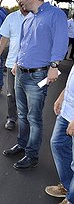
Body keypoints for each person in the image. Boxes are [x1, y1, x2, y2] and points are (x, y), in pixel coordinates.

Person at [2, 0, 68, 170]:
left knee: (34, 117)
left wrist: (54, 65)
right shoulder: (28, 18)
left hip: (38, 76)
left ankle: (32, 155)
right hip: (20, 73)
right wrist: (15, 62)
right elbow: (23, 44)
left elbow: (61, 41)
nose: (19, 0)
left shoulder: (55, 15)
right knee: (22, 114)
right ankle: (22, 144)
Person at [0, 0, 29, 130]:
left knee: (28, 95)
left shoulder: (38, 18)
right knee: (11, 93)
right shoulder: (11, 18)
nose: (21, 2)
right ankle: (12, 118)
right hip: (11, 63)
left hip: (31, 66)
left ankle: (26, 120)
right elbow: (4, 38)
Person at [44, 64, 74, 204]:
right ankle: (68, 187)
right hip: (67, 110)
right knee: (57, 143)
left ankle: (71, 199)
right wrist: (63, 96)